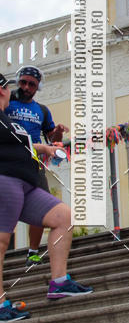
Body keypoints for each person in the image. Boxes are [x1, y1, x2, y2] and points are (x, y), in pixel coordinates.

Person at [0, 72, 92, 323]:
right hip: (4, 179)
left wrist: (50, 146)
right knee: (1, 241)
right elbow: (19, 143)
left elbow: (26, 142)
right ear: (3, 90)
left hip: (27, 182)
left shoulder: (13, 119)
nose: (22, 88)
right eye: (14, 86)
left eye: (32, 83)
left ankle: (59, 281)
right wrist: (44, 147)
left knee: (63, 216)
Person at [4, 66, 69, 266]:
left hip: (33, 161)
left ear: (37, 87)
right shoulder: (7, 102)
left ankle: (32, 252)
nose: (26, 87)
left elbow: (52, 138)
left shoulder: (41, 110)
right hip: (7, 159)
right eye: (22, 82)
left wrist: (57, 131)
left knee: (43, 206)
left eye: (31, 84)